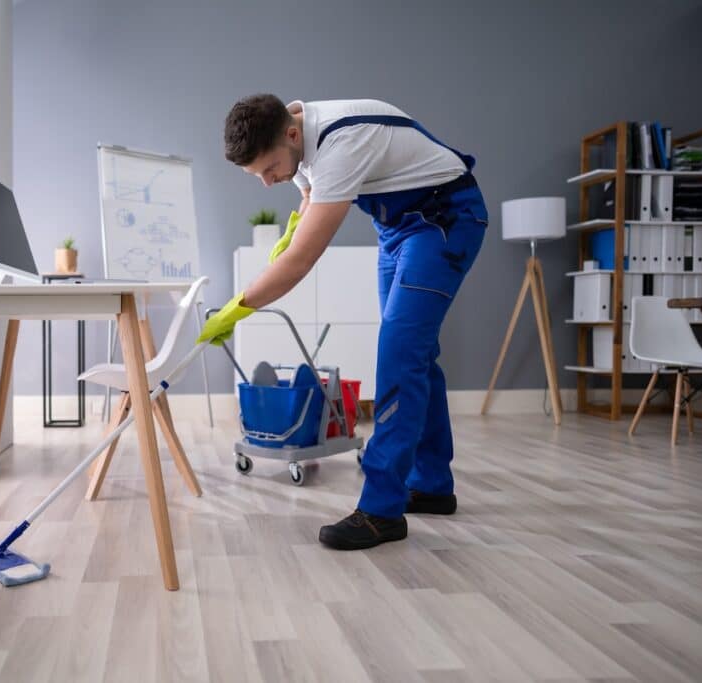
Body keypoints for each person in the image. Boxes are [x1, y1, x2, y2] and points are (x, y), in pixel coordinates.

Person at [198, 94, 488, 550]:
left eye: (270, 169)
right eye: (259, 176)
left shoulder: (341, 144)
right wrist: (295, 223)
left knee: (398, 355)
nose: (269, 183)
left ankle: (381, 510)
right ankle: (431, 484)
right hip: (398, 231)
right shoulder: (294, 127)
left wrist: (238, 307)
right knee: (417, 355)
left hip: (444, 222)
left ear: (291, 135)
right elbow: (310, 188)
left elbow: (299, 264)